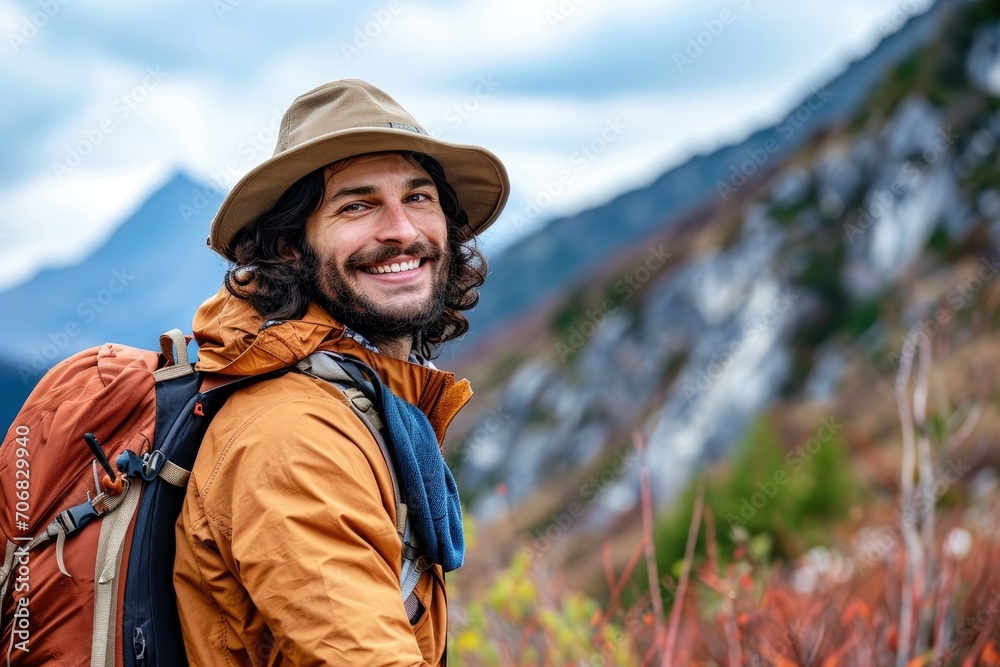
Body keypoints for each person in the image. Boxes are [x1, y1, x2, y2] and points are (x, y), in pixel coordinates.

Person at [172, 79, 509, 666]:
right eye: (357, 205)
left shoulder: (361, 401)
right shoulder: (293, 437)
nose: (402, 230)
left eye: (419, 197)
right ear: (288, 248)